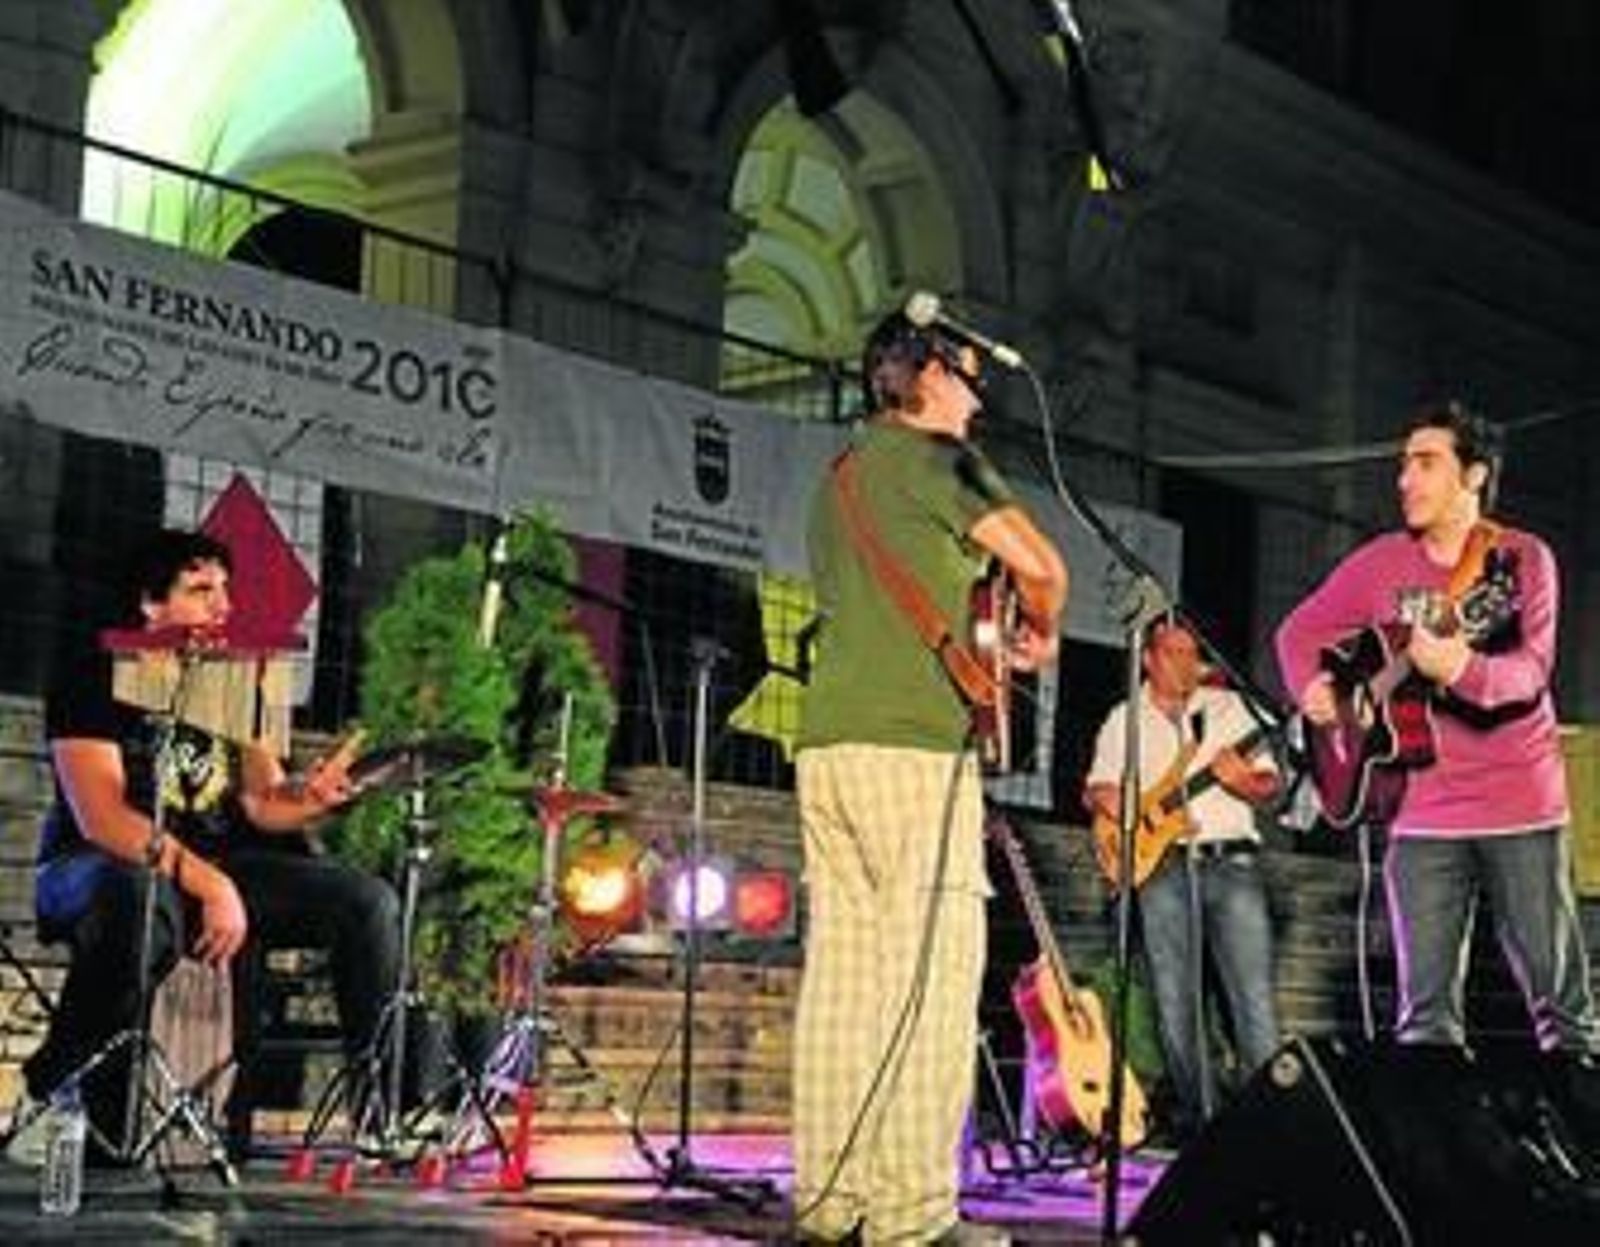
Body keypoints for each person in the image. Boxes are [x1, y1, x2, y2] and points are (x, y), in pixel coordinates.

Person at [793, 310, 1068, 1243]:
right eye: (971, 377)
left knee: (844, 986)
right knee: (935, 981)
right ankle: (912, 1216)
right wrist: (1041, 628)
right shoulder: (942, 458)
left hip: (827, 745)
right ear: (935, 375)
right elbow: (1043, 564)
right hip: (913, 750)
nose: (980, 396)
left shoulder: (840, 477)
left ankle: (832, 1206)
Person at [5, 528, 401, 1164]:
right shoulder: (94, 670)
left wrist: (315, 799)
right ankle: (57, 1091)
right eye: (200, 590)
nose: (222, 606)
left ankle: (378, 1110)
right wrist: (210, 883)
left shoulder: (237, 679)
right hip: (97, 864)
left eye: (225, 590)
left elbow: (261, 802)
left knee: (366, 901)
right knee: (138, 892)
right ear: (149, 603)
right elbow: (104, 818)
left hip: (208, 868)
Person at [1274, 401, 1600, 1171]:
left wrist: (1460, 667)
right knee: (1423, 1012)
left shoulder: (1519, 561)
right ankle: (1442, 1172)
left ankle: (1586, 1162)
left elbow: (1530, 672)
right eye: (1404, 461)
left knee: (1560, 1003)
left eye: (1425, 461)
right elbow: (1297, 632)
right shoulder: (1380, 561)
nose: (1404, 476)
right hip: (1419, 810)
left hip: (1521, 803)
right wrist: (1315, 689)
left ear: (1473, 476)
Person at [1082, 617, 1282, 1144]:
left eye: (1193, 653)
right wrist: (1127, 808)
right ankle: (1208, 1127)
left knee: (1254, 999)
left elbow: (1269, 785)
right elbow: (1096, 789)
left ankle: (1272, 1127)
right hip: (1161, 864)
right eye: (1172, 652)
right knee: (1176, 1002)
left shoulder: (1228, 710)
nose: (1185, 663)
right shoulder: (1124, 717)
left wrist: (1244, 782)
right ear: (1147, 658)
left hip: (1233, 862)